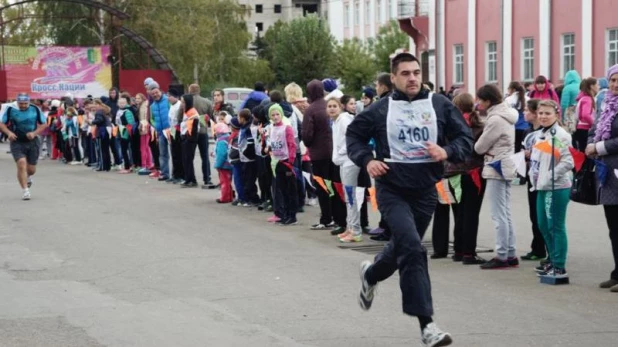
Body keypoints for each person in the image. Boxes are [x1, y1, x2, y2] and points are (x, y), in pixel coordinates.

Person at [347, 52, 472, 347]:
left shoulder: (439, 105)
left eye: (416, 72)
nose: (412, 78)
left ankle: (372, 273)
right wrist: (367, 160)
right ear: (394, 79)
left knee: (403, 248)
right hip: (391, 189)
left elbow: (465, 138)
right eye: (405, 73)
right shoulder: (379, 110)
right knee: (414, 249)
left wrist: (448, 151)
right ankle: (427, 326)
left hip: (425, 190)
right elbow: (354, 136)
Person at [474, 84, 519, 270]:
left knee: (498, 214)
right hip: (505, 164)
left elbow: (480, 147)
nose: (478, 103)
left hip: (496, 166)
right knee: (505, 213)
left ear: (488, 101)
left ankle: (502, 255)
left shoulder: (495, 120)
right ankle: (510, 252)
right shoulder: (507, 114)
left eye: (480, 100)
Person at [528, 100, 574, 279]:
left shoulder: (561, 135)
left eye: (547, 113)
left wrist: (550, 176)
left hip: (557, 187)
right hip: (541, 186)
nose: (543, 117)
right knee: (543, 225)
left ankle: (559, 265)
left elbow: (568, 162)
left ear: (556, 115)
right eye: (540, 113)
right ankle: (551, 259)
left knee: (555, 226)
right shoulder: (540, 134)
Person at [586, 64, 618, 293]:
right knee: (613, 227)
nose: (615, 85)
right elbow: (594, 128)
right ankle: (617, 272)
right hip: (608, 175)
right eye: (613, 80)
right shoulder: (607, 105)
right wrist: (590, 143)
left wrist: (599, 146)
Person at [448, 93, 487, 264]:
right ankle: (469, 253)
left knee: (458, 213)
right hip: (473, 173)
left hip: (453, 173)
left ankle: (458, 250)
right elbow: (480, 150)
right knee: (471, 213)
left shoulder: (451, 126)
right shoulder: (479, 126)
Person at [303, 80, 337, 230]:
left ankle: (326, 218)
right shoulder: (330, 105)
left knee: (323, 186)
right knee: (335, 185)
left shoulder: (311, 110)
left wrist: (309, 144)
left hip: (319, 154)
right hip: (334, 152)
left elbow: (307, 135)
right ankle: (338, 217)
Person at [0, 93, 47, 200]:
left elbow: (44, 124)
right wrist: (9, 133)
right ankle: (25, 190)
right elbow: (1, 123)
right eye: (21, 104)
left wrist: (34, 133)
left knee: (31, 170)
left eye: (25, 103)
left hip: (32, 141)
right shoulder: (10, 109)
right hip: (17, 141)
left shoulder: (35, 109)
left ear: (29, 102)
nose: (23, 106)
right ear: (17, 102)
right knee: (21, 163)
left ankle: (29, 176)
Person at [520, 99, 547, 262]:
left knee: (542, 215)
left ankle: (543, 248)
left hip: (543, 176)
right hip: (531, 176)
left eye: (526, 110)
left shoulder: (545, 132)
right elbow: (523, 150)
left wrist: (535, 153)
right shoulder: (527, 131)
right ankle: (537, 247)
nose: (524, 113)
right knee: (533, 214)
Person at [333, 95, 361, 242]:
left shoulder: (344, 120)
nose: (331, 109)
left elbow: (351, 136)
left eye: (334, 106)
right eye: (329, 106)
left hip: (349, 161)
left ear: (341, 107)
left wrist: (344, 151)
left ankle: (355, 231)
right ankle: (350, 228)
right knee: (347, 196)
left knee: (350, 197)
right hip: (343, 162)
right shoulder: (337, 121)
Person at [267, 103, 298, 225]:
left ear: (281, 115)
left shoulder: (287, 128)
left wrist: (291, 161)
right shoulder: (272, 128)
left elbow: (291, 145)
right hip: (277, 161)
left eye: (277, 114)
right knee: (282, 189)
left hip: (287, 162)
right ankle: (284, 214)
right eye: (273, 115)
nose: (275, 117)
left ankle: (292, 215)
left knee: (290, 190)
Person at [188, 84, 215, 188]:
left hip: (191, 132)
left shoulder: (186, 101)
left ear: (190, 90)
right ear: (199, 90)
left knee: (189, 157)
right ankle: (207, 178)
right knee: (205, 156)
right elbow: (210, 117)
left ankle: (191, 179)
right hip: (203, 131)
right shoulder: (207, 102)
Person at [505, 81, 529, 185]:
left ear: (512, 89)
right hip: (525, 128)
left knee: (514, 152)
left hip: (513, 128)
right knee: (522, 152)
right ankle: (522, 176)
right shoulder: (527, 98)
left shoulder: (508, 100)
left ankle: (515, 175)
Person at [148, 82, 171, 181]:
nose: (155, 95)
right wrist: (155, 126)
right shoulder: (152, 106)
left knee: (175, 154)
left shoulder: (167, 100)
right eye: (153, 94)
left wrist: (171, 126)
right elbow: (152, 119)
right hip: (161, 132)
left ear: (159, 91)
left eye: (156, 92)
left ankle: (176, 174)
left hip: (171, 131)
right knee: (162, 154)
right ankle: (165, 173)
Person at [180, 94, 200, 188]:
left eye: (183, 102)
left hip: (190, 139)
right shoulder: (186, 111)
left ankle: (192, 180)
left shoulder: (192, 112)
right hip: (185, 137)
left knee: (188, 160)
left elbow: (194, 128)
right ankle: (188, 179)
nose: (182, 104)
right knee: (185, 159)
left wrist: (188, 139)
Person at [573, 77, 598, 152]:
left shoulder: (583, 98)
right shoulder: (587, 99)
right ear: (592, 86)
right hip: (585, 129)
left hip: (580, 128)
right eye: (597, 85)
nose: (598, 87)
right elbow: (585, 115)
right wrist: (594, 124)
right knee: (586, 153)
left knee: (582, 152)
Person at [214, 120, 233, 203]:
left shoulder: (221, 141)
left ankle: (224, 197)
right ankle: (230, 196)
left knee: (224, 182)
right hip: (230, 163)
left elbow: (221, 154)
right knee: (228, 181)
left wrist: (217, 165)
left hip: (223, 165)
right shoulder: (228, 138)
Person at [116, 96, 136, 174]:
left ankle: (128, 166)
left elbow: (130, 123)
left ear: (126, 103)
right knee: (123, 150)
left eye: (123, 103)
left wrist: (126, 132)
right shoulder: (119, 111)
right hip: (120, 132)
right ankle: (126, 166)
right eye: (120, 103)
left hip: (126, 133)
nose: (122, 104)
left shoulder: (127, 111)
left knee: (127, 150)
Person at [168, 90, 184, 183]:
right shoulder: (171, 106)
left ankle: (180, 175)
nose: (168, 98)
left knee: (178, 154)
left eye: (170, 96)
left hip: (178, 131)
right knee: (173, 154)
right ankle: (175, 174)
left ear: (176, 97)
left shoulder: (179, 105)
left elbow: (178, 119)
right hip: (172, 131)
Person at [135, 93, 153, 175]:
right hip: (143, 127)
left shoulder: (144, 106)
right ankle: (148, 164)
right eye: (136, 98)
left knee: (144, 147)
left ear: (142, 98)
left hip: (144, 127)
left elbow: (145, 117)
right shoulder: (141, 106)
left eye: (138, 98)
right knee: (145, 147)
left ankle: (146, 165)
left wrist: (144, 127)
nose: (137, 100)